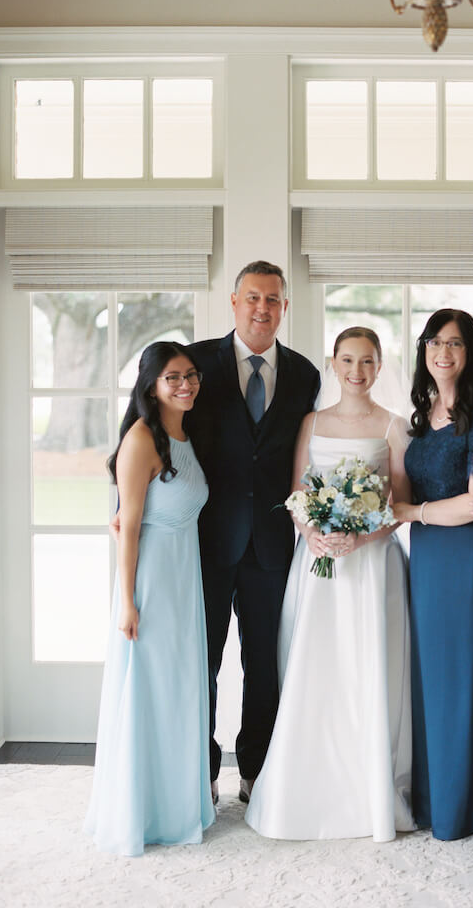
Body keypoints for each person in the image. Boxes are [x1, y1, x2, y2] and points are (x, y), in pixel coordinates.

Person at [245, 327, 414, 841]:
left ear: (380, 366)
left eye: (367, 361)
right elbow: (297, 490)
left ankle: (368, 789)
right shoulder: (311, 422)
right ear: (333, 363)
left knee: (366, 670)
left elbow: (399, 505)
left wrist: (359, 540)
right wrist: (314, 534)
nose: (357, 371)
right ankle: (304, 780)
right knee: (313, 667)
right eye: (347, 360)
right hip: (317, 568)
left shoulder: (393, 427)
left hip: (371, 569)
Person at [186, 261, 320, 805]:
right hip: (208, 541)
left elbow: (303, 455)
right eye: (253, 298)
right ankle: (201, 773)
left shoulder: (306, 374)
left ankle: (257, 773)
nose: (263, 309)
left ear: (285, 308)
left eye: (273, 300)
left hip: (270, 544)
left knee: (264, 662)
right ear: (234, 302)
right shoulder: (197, 363)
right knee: (205, 661)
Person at [85, 342, 214, 856]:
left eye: (190, 375)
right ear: (151, 385)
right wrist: (128, 601)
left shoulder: (183, 432)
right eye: (172, 378)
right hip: (153, 581)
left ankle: (178, 803)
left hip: (185, 577)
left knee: (180, 690)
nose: (185, 385)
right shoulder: (141, 440)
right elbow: (129, 526)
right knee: (152, 691)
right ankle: (145, 811)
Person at [393, 309, 473, 842]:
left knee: (469, 681)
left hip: (468, 562)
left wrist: (413, 513)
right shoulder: (422, 415)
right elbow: (401, 493)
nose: (444, 353)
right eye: (435, 342)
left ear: (472, 354)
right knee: (435, 683)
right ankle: (439, 801)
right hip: (428, 565)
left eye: (456, 344)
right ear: (424, 350)